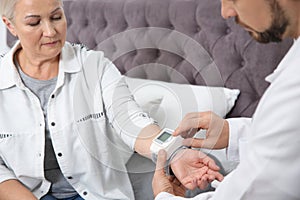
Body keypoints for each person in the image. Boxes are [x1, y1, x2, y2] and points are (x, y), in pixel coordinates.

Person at [0, 0, 224, 199]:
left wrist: (175, 154)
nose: (50, 31)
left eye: (56, 17)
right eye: (34, 23)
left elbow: (131, 121)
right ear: (10, 25)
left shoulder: (95, 67)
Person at [153, 0, 300, 199]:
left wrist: (164, 196)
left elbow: (251, 190)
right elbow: (286, 141)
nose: (225, 12)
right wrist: (231, 134)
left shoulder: (294, 88)